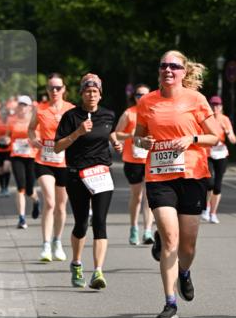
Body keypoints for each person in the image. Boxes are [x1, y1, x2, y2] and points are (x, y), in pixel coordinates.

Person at [133, 50, 219, 318]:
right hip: (159, 176)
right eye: (163, 66)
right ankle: (170, 303)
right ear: (159, 71)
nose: (168, 70)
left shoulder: (196, 99)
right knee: (171, 238)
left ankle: (184, 272)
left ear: (184, 72)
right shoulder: (147, 102)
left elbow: (215, 136)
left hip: (192, 175)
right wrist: (143, 142)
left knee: (188, 244)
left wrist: (191, 138)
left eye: (174, 66)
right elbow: (138, 137)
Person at [54, 73, 121, 290]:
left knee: (100, 222)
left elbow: (110, 133)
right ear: (82, 94)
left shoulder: (108, 115)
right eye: (87, 91)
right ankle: (76, 263)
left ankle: (98, 272)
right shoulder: (71, 117)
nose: (91, 94)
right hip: (77, 175)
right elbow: (57, 147)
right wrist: (77, 133)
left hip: (101, 173)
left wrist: (116, 143)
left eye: (95, 91)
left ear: (100, 95)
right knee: (82, 223)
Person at [28, 73, 74, 262]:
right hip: (44, 161)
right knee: (50, 202)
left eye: (58, 87)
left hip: (64, 163)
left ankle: (57, 241)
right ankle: (45, 244)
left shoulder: (71, 109)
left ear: (64, 89)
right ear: (47, 90)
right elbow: (31, 129)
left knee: (61, 207)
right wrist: (34, 140)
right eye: (51, 88)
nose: (54, 91)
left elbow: (79, 132)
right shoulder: (40, 110)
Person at [113, 84, 155, 245]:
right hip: (133, 160)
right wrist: (131, 135)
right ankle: (133, 228)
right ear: (134, 97)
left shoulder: (153, 113)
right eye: (138, 95)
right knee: (136, 196)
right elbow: (116, 133)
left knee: (148, 196)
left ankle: (148, 231)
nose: (141, 98)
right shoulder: (129, 113)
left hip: (150, 159)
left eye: (144, 95)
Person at [201, 95, 236, 223]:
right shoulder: (207, 119)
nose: (215, 107)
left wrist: (227, 132)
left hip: (221, 154)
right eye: (213, 105)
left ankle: (213, 213)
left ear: (221, 107)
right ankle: (206, 208)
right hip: (208, 153)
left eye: (217, 105)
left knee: (217, 186)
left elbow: (233, 140)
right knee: (209, 183)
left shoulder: (225, 119)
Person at [9, 96, 40, 228]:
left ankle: (36, 200)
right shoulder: (12, 120)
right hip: (16, 156)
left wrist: (33, 141)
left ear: (30, 107)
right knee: (20, 187)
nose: (22, 107)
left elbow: (39, 138)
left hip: (32, 157)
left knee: (29, 189)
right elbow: (6, 135)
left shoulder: (35, 121)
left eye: (25, 105)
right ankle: (21, 218)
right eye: (20, 105)